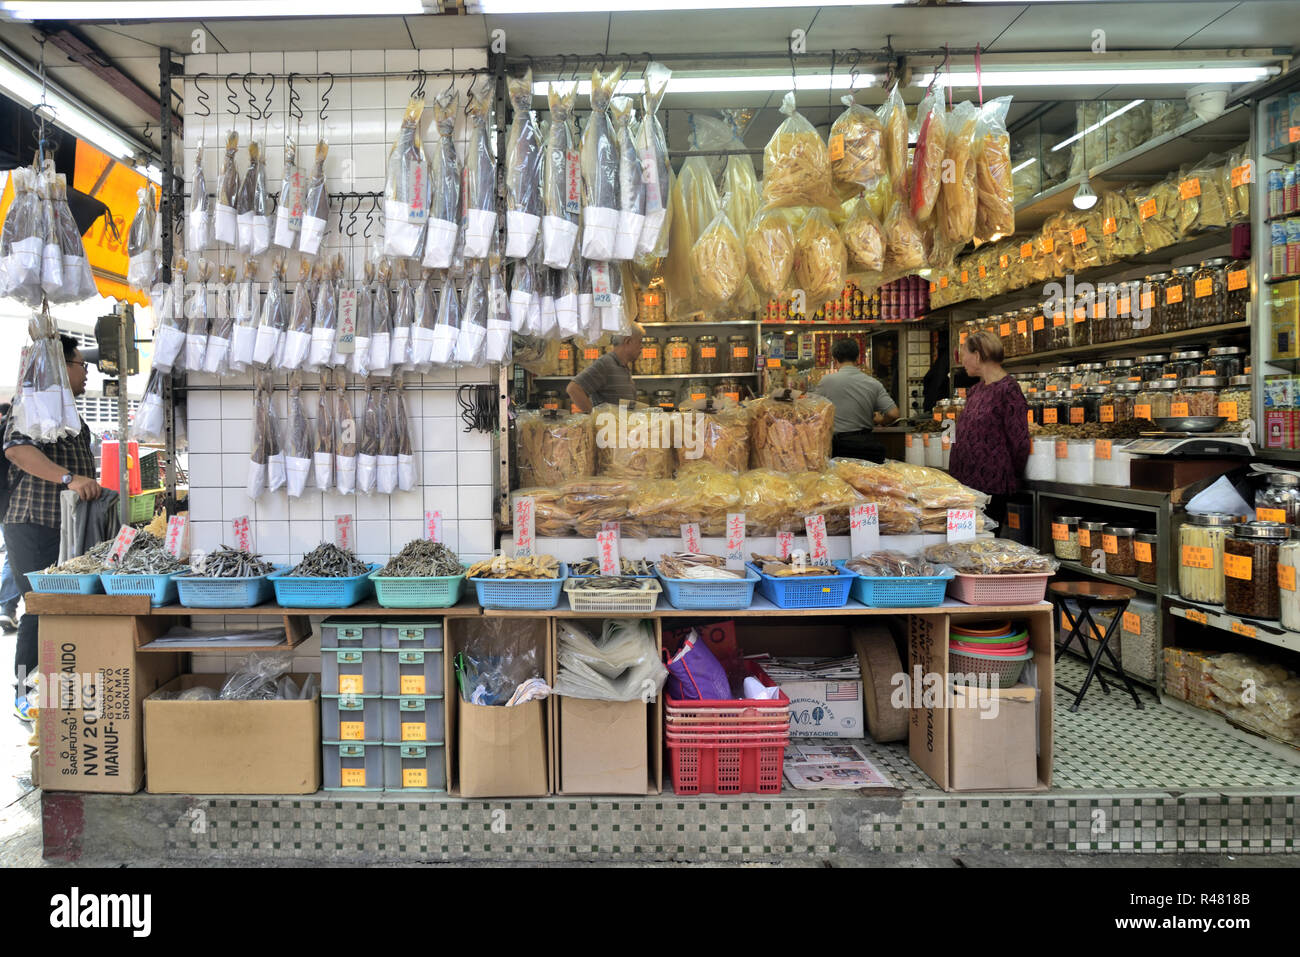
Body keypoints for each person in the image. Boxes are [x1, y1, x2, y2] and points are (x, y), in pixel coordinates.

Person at [3, 336, 101, 722]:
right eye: (80, 363)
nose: (86, 371)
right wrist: (68, 478)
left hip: (67, 527)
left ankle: (61, 692)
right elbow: (16, 450)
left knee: (64, 609)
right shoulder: (32, 404)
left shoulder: (69, 412)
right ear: (61, 367)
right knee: (40, 606)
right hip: (33, 522)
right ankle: (27, 694)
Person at [947, 330, 1030, 529]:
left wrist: (1009, 474)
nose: (962, 361)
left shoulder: (1008, 389)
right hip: (965, 484)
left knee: (984, 543)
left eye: (964, 354)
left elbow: (1019, 441)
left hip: (991, 486)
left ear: (977, 355)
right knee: (962, 542)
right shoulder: (976, 390)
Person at [814, 338, 899, 462]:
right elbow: (894, 414)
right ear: (858, 358)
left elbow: (814, 412)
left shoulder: (826, 382)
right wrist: (882, 420)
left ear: (835, 359)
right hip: (866, 446)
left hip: (838, 448)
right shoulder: (873, 383)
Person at [566, 323, 645, 412]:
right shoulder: (605, 363)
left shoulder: (623, 366)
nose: (642, 346)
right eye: (639, 342)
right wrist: (594, 417)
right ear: (628, 341)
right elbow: (573, 388)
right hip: (608, 425)